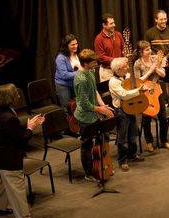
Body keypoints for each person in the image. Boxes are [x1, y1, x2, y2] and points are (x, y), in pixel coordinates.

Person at [0, 83, 46, 218]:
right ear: (10, 97)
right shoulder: (8, 117)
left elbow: (11, 133)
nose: (19, 95)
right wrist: (30, 128)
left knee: (3, 182)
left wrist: (27, 126)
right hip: (9, 158)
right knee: (17, 189)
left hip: (0, 156)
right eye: (16, 93)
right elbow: (20, 139)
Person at [74, 49, 114, 182]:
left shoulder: (91, 71)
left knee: (104, 137)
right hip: (85, 117)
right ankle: (89, 172)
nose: (96, 63)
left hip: (95, 114)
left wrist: (102, 104)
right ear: (85, 63)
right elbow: (84, 104)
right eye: (93, 62)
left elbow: (94, 90)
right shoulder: (80, 79)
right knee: (87, 145)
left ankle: (101, 165)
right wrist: (101, 110)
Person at [134, 40, 169, 151]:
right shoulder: (138, 63)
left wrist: (156, 67)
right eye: (147, 50)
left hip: (157, 90)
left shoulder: (154, 59)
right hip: (145, 92)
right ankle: (149, 142)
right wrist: (150, 70)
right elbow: (138, 81)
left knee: (163, 117)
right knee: (146, 118)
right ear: (141, 52)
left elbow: (163, 74)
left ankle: (164, 140)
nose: (150, 51)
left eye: (150, 48)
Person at [109, 57, 146, 171]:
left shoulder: (127, 77)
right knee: (123, 136)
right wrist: (139, 91)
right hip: (121, 111)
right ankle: (122, 160)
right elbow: (124, 95)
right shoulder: (113, 82)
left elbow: (134, 84)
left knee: (133, 133)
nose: (128, 68)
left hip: (131, 107)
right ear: (119, 69)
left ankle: (132, 155)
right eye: (125, 66)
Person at [94, 13, 124, 82]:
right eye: (111, 23)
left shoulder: (118, 34)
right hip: (107, 72)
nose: (114, 25)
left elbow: (123, 49)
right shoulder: (99, 39)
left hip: (119, 70)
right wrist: (116, 61)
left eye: (113, 23)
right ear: (104, 25)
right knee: (108, 92)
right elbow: (100, 57)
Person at [55, 34, 82, 107]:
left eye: (76, 44)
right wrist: (80, 72)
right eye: (72, 45)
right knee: (68, 107)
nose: (75, 46)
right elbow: (65, 75)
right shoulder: (60, 58)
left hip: (75, 84)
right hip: (63, 85)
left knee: (78, 106)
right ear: (66, 45)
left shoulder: (78, 54)